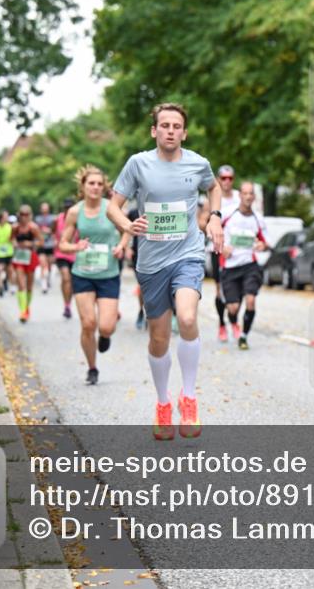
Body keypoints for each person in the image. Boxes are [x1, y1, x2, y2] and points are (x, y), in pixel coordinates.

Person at [108, 102, 223, 440]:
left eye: (177, 126)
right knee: (158, 338)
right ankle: (163, 403)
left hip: (187, 255)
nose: (171, 130)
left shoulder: (198, 163)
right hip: (151, 262)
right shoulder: (138, 164)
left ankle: (188, 398)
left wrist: (214, 217)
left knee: (186, 318)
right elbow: (113, 207)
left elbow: (213, 187)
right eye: (165, 125)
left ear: (184, 133)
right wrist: (129, 225)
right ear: (154, 131)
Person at [60, 165, 129, 385]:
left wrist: (121, 247)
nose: (96, 187)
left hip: (109, 273)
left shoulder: (112, 208)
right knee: (88, 323)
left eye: (100, 184)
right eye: (91, 183)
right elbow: (62, 244)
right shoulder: (74, 212)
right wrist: (75, 247)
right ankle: (92, 368)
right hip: (83, 273)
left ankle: (106, 336)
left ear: (104, 187)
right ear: (83, 186)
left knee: (106, 326)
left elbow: (127, 230)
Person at [220, 182, 268, 350]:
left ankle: (244, 336)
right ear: (239, 195)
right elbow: (213, 232)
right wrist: (221, 247)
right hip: (230, 266)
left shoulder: (258, 218)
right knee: (232, 308)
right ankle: (233, 322)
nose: (248, 197)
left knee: (250, 301)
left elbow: (265, 242)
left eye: (251, 194)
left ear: (254, 196)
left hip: (250, 265)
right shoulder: (227, 214)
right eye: (245, 193)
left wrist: (263, 246)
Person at [200, 165, 240, 342]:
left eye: (230, 178)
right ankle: (222, 324)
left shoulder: (239, 198)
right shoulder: (212, 199)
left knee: (237, 288)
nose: (227, 181)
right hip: (217, 249)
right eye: (223, 178)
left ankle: (234, 320)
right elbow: (201, 222)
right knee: (220, 289)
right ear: (218, 179)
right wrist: (212, 227)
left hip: (238, 250)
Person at [11, 205, 45, 323]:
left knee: (29, 285)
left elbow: (41, 241)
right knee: (21, 284)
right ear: (19, 215)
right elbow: (11, 238)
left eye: (26, 214)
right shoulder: (15, 227)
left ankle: (26, 308)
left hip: (30, 257)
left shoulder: (33, 228)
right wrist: (15, 243)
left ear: (30, 215)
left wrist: (29, 243)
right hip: (19, 257)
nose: (24, 217)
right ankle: (23, 311)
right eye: (22, 214)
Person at [53, 198, 77, 318]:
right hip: (61, 253)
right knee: (66, 277)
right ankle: (66, 305)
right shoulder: (58, 219)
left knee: (71, 281)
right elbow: (54, 233)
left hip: (75, 253)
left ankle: (68, 303)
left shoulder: (79, 218)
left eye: (70, 207)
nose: (68, 209)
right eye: (66, 207)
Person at [35, 202, 56, 293]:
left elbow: (55, 230)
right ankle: (44, 285)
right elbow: (35, 230)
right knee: (43, 265)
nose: (44, 209)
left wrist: (50, 231)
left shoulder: (53, 218)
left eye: (46, 208)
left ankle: (48, 279)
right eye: (43, 208)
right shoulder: (37, 219)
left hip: (50, 244)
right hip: (41, 244)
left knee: (50, 265)